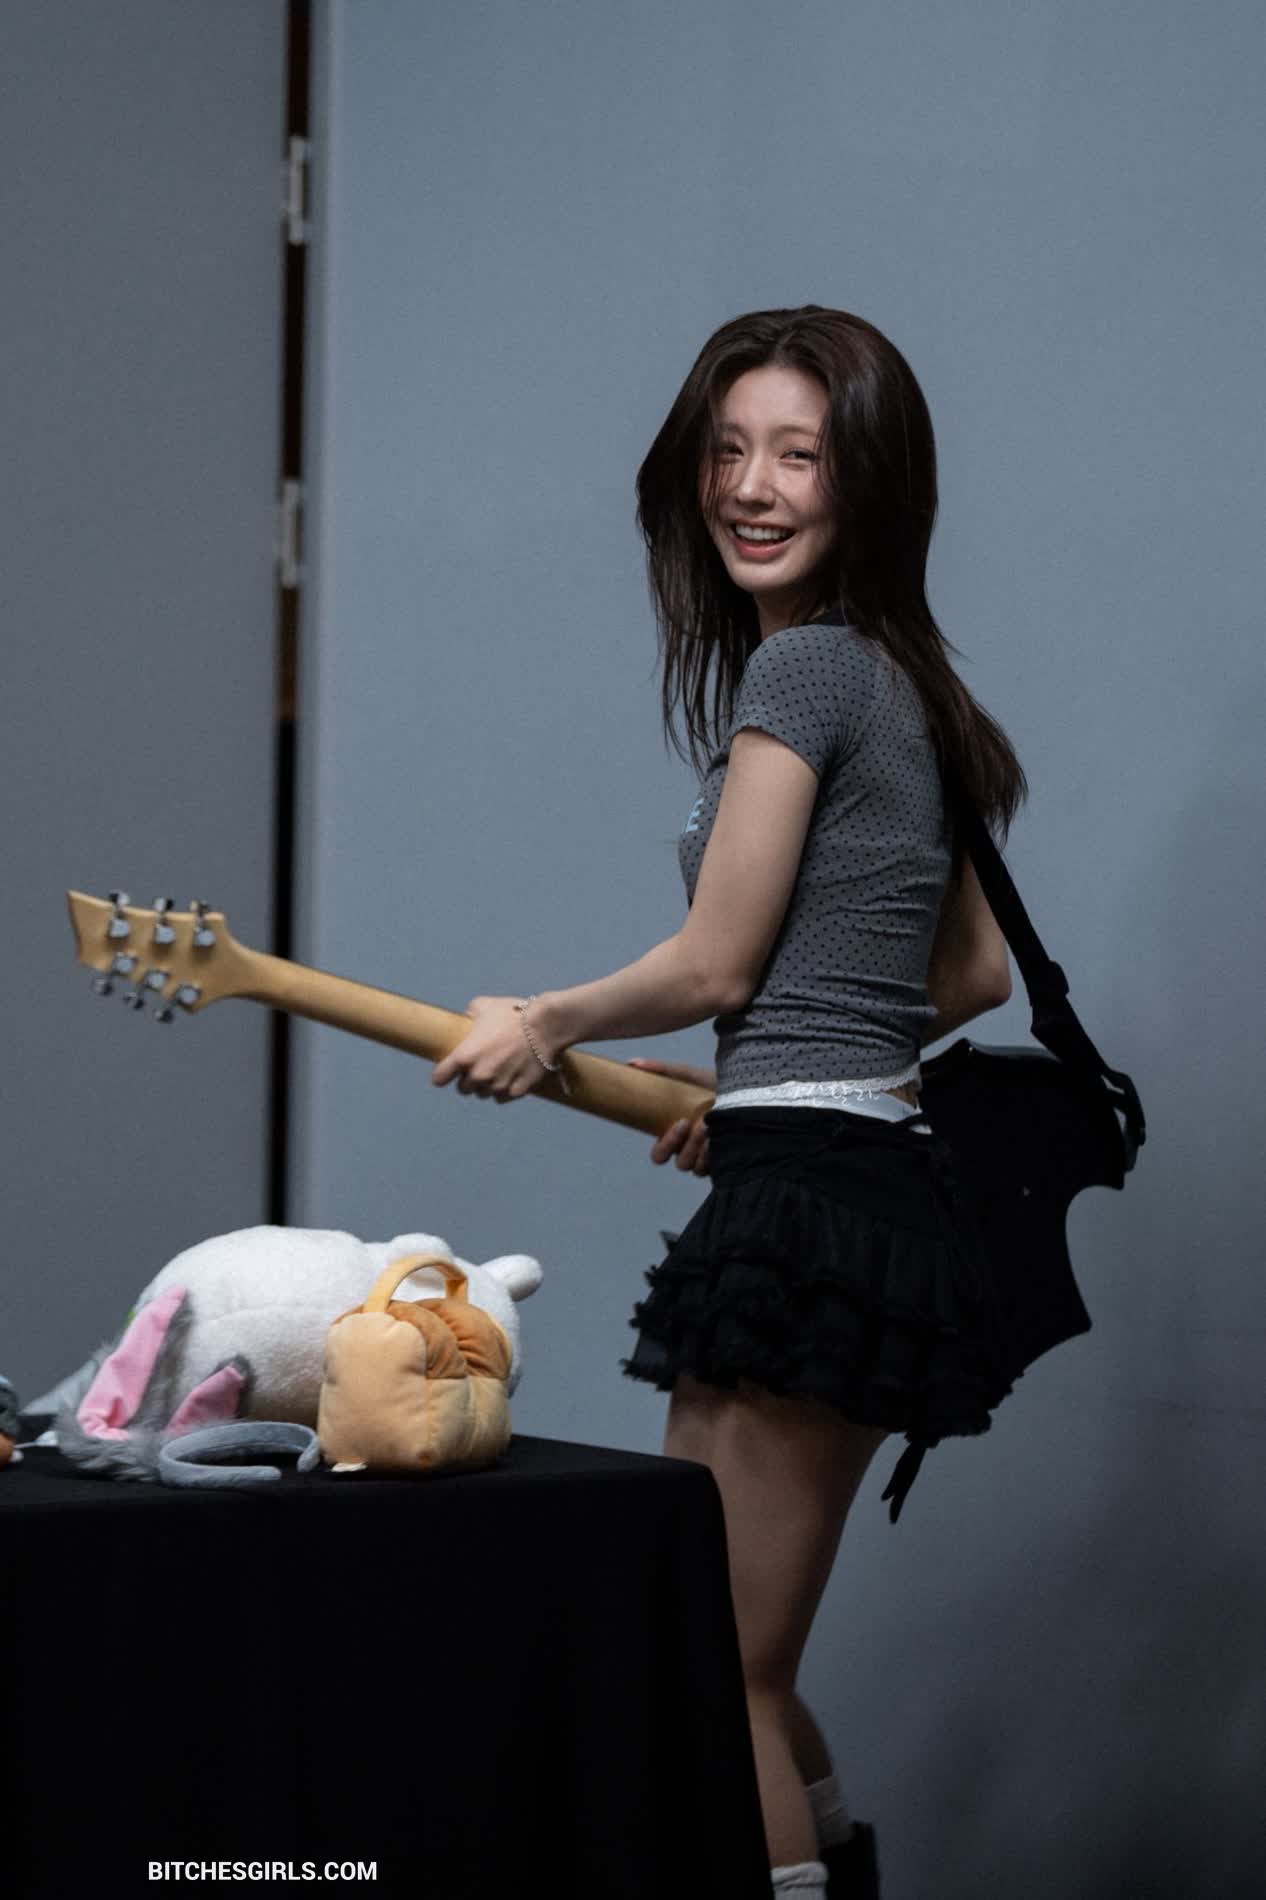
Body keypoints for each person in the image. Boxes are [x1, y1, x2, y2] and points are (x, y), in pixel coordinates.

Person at [431, 305, 1028, 1900]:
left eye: (799, 455)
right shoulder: (908, 681)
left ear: (867, 485)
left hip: (812, 1207)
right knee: (744, 1657)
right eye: (726, 449)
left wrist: (542, 1018)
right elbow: (969, 976)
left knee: (717, 1668)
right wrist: (768, 1081)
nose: (751, 487)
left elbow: (714, 960)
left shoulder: (808, 672)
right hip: (855, 1175)